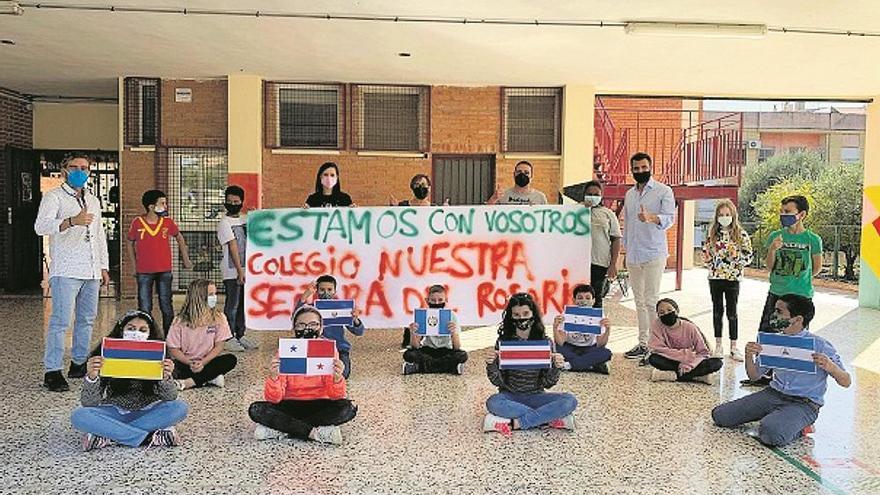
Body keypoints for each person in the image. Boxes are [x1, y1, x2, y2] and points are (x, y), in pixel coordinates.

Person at [712, 294, 850, 447]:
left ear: (798, 319)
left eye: (779, 311)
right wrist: (749, 355)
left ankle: (801, 426)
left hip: (804, 404)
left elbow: (846, 381)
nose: (774, 315)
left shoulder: (820, 345)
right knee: (720, 416)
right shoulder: (773, 342)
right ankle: (777, 417)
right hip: (773, 394)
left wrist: (831, 367)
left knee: (771, 434)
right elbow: (754, 376)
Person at [34, 154, 111, 392]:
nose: (80, 171)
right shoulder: (53, 197)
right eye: (75, 167)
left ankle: (78, 362)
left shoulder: (94, 200)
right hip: (66, 269)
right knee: (61, 321)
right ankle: (52, 370)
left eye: (85, 168)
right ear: (64, 170)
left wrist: (103, 266)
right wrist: (70, 221)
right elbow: (40, 227)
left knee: (87, 319)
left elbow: (99, 235)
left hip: (91, 269)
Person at [70, 310, 189, 451]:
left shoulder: (159, 356)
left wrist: (166, 377)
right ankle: (147, 437)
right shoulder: (105, 353)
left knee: (179, 407)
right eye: (131, 328)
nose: (136, 333)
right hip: (115, 411)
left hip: (148, 410)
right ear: (121, 331)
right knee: (80, 416)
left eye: (143, 330)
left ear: (150, 334)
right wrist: (92, 377)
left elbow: (170, 397)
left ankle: (110, 436)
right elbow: (89, 403)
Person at [248, 305, 358, 445]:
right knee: (256, 409)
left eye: (313, 324)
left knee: (348, 408)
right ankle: (314, 433)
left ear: (321, 327)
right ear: (294, 328)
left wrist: (337, 379)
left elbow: (336, 396)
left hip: (320, 404)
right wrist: (274, 378)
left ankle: (283, 428)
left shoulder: (328, 349)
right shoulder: (284, 351)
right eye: (301, 325)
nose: (307, 329)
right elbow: (274, 399)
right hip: (290, 404)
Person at [745, 195, 822, 386]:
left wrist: (799, 280)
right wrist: (772, 250)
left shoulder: (813, 239)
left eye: (788, 211)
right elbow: (769, 266)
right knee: (769, 332)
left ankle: (790, 375)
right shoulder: (775, 236)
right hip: (777, 293)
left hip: (801, 295)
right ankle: (763, 374)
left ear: (801, 214)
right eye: (782, 211)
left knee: (796, 336)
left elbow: (817, 267)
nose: (783, 215)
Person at [483, 293, 577, 436]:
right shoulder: (504, 342)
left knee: (569, 400)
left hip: (537, 396)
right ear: (511, 317)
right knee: (493, 402)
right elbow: (497, 381)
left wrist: (556, 367)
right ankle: (546, 419)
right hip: (510, 396)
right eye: (516, 314)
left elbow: (548, 383)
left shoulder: (545, 342)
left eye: (526, 313)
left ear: (533, 314)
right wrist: (491, 365)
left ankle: (517, 423)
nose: (522, 318)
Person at [621, 152, 676, 360]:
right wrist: (625, 250)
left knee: (651, 301)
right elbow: (627, 223)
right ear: (632, 170)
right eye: (636, 168)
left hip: (653, 253)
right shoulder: (629, 194)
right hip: (633, 255)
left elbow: (670, 219)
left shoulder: (663, 191)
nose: (640, 171)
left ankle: (655, 345)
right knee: (638, 301)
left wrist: (651, 217)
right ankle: (643, 343)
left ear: (650, 167)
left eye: (644, 167)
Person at [127, 189, 193, 334]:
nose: (165, 206)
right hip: (144, 271)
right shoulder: (137, 222)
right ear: (151, 206)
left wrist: (185, 258)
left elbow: (179, 238)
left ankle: (170, 336)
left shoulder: (167, 222)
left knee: (166, 305)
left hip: (164, 270)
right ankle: (147, 335)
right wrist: (134, 266)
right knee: (144, 306)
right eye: (162, 203)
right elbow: (130, 243)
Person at [701, 199, 752, 361]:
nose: (724, 217)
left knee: (732, 312)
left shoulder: (740, 234)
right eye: (721, 215)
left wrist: (737, 256)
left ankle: (734, 346)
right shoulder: (712, 235)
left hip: (733, 278)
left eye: (727, 214)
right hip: (715, 278)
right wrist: (708, 259)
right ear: (716, 217)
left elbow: (748, 256)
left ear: (733, 215)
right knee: (717, 311)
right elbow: (706, 256)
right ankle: (718, 345)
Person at [166, 279, 238, 390]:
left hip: (208, 361)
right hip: (185, 362)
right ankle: (210, 378)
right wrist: (189, 362)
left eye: (215, 294)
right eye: (211, 294)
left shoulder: (219, 317)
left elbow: (219, 346)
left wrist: (203, 362)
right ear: (199, 297)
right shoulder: (179, 321)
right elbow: (173, 348)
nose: (215, 297)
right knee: (169, 367)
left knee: (230, 359)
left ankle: (189, 382)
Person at [297, 275, 364, 379]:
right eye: (322, 290)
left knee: (342, 374)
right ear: (317, 291)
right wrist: (305, 295)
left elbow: (359, 332)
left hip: (339, 349)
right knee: (310, 374)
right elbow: (296, 316)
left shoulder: (341, 308)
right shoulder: (312, 309)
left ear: (334, 291)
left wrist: (355, 319)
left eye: (329, 289)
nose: (326, 293)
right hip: (316, 348)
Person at [217, 185, 258, 352]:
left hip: (248, 270)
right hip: (232, 271)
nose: (232, 204)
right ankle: (228, 337)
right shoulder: (224, 222)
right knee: (232, 305)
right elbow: (233, 246)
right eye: (229, 201)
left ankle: (241, 334)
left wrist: (257, 217)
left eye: (236, 201)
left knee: (243, 305)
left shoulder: (245, 219)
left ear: (242, 202)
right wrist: (240, 271)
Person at [647, 298, 723, 383]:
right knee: (653, 358)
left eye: (669, 310)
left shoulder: (690, 327)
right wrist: (683, 357)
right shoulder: (657, 325)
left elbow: (703, 352)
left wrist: (689, 364)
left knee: (717, 363)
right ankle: (696, 377)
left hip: (691, 361)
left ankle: (673, 375)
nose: (666, 314)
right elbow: (657, 348)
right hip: (672, 359)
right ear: (658, 315)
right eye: (661, 312)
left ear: (677, 310)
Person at [402, 285, 469, 375]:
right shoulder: (423, 315)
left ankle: (419, 367)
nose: (437, 303)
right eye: (433, 300)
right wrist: (413, 334)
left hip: (446, 350)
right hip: (428, 349)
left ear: (446, 300)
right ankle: (450, 367)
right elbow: (415, 347)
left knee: (462, 355)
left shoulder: (451, 316)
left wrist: (454, 333)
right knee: (409, 354)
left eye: (440, 300)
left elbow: (457, 347)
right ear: (427, 301)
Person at [552, 284, 612, 374]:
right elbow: (560, 342)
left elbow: (600, 344)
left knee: (606, 353)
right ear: (574, 300)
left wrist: (607, 330)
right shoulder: (567, 314)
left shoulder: (598, 316)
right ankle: (590, 364)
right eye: (580, 298)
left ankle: (569, 365)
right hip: (570, 347)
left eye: (588, 298)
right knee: (556, 348)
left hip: (589, 348)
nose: (584, 301)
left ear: (593, 301)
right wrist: (555, 328)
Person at [582, 181, 621, 308]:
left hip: (599, 264)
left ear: (601, 196)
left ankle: (595, 327)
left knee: (596, 298)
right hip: (578, 264)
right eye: (589, 194)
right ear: (584, 194)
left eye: (596, 194)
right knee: (577, 298)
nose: (592, 196)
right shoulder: (575, 211)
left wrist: (613, 264)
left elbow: (615, 239)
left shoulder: (608, 214)